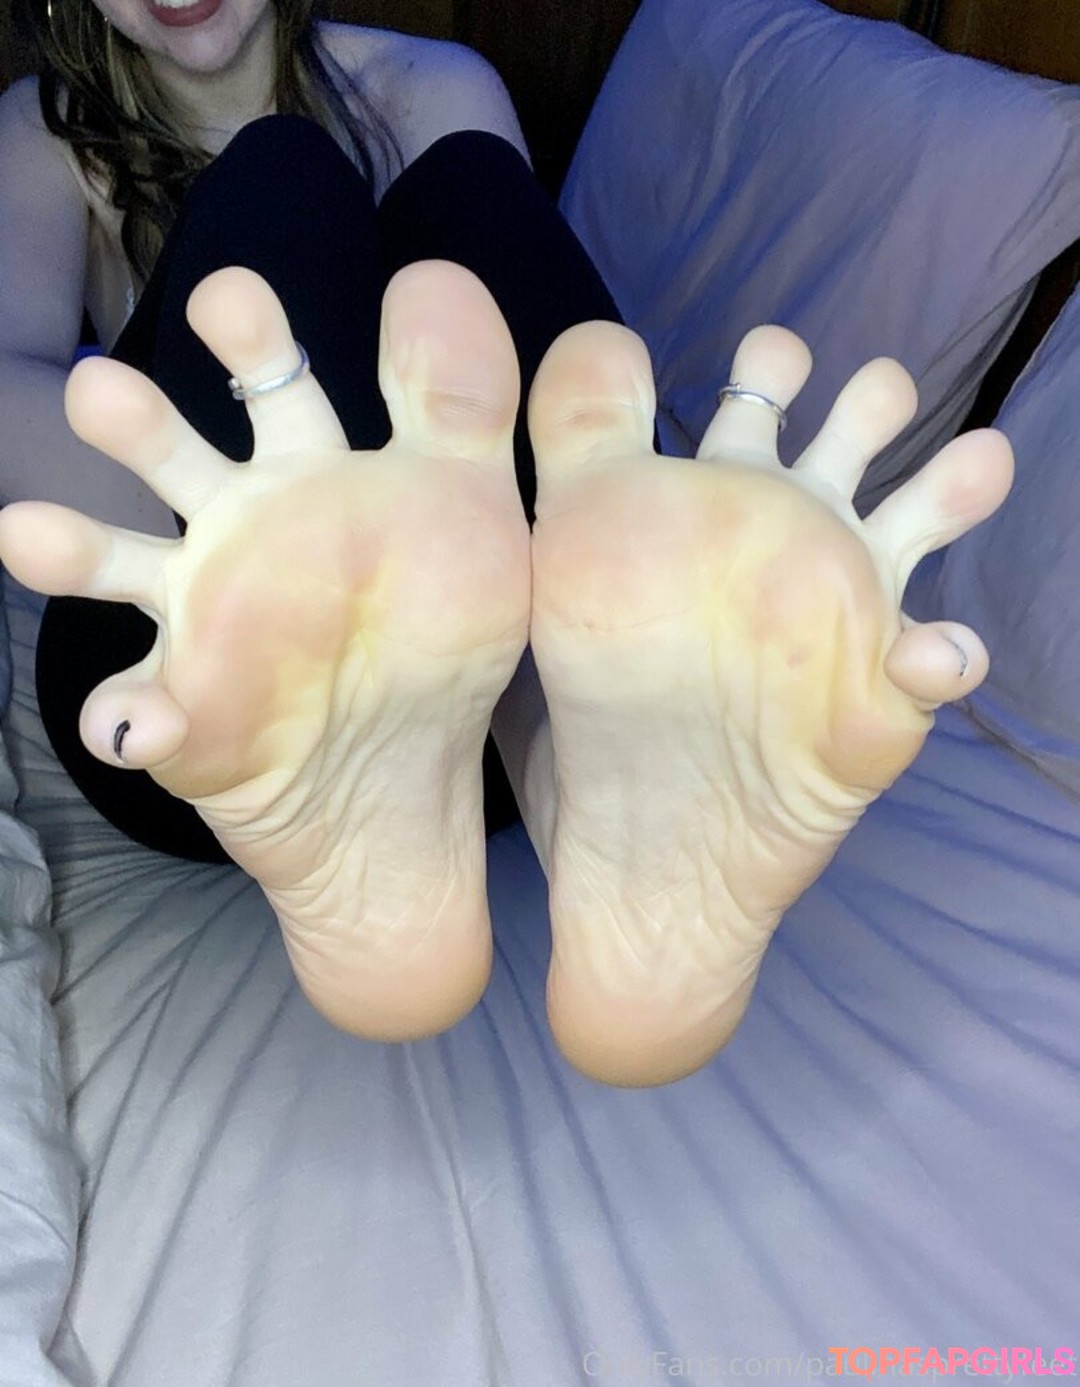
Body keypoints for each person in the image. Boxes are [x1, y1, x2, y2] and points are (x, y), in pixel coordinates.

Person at [0, 0, 1012, 1087]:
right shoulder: (47, 131)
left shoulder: (439, 89)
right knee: (278, 173)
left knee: (468, 191)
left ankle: (580, 782)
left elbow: (523, 425)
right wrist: (251, 538)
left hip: (472, 708)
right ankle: (433, 716)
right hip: (179, 692)